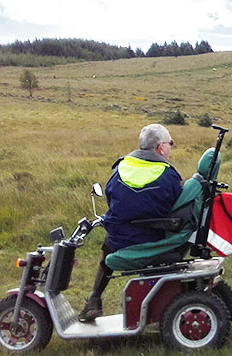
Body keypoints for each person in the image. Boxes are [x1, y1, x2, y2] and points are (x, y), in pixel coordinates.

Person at [79, 124, 182, 321]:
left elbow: (112, 201)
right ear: (161, 148)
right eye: (171, 143)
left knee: (108, 246)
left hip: (119, 241)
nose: (171, 148)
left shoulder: (119, 169)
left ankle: (94, 298)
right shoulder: (168, 175)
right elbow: (175, 207)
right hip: (153, 240)